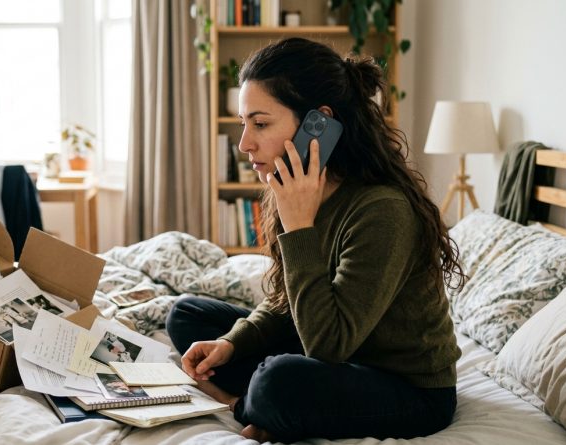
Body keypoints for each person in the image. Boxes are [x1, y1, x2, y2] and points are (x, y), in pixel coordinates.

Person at [166, 37, 464, 443]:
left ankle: (241, 403)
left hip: (407, 389)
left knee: (278, 383)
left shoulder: (383, 210)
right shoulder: (299, 189)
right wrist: (231, 343)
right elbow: (289, 304)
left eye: (261, 123)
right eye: (243, 123)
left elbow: (328, 346)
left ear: (318, 124)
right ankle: (258, 401)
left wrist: (300, 226)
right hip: (335, 350)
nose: (244, 144)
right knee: (186, 314)